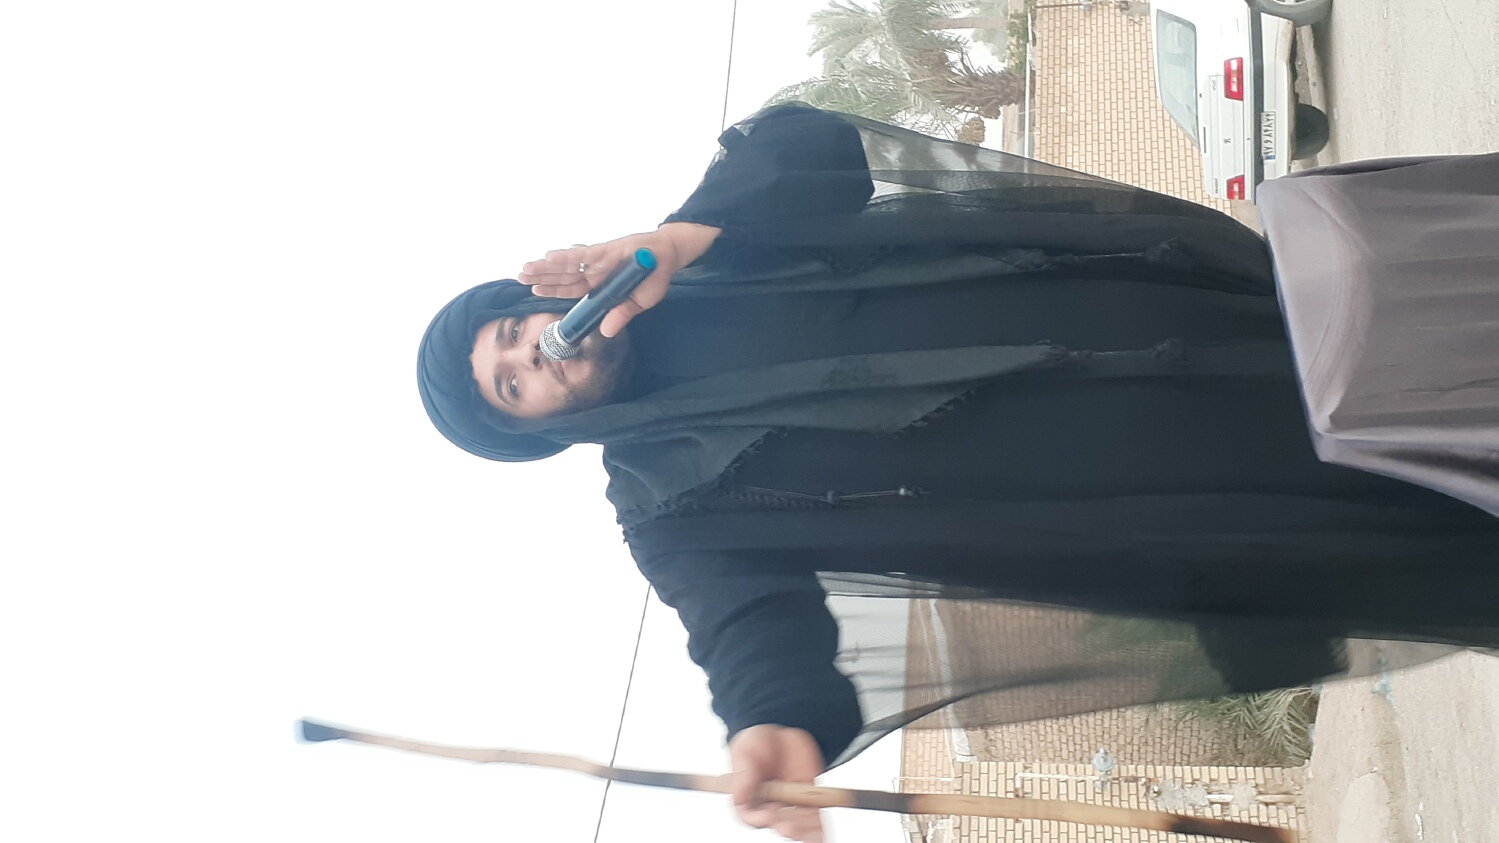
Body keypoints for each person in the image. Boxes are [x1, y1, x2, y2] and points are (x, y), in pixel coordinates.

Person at [417, 104, 1499, 843]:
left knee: (1448, 337)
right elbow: (742, 625)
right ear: (535, 432)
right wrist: (770, 722)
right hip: (1209, 491)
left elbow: (807, 143)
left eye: (512, 333)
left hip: (1203, 314)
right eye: (513, 386)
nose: (534, 357)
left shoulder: (707, 252)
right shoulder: (666, 508)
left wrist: (688, 232)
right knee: (1440, 504)